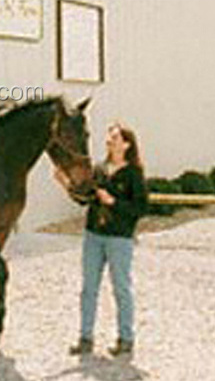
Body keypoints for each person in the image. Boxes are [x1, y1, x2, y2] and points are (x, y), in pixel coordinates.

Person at [55, 123, 148, 357]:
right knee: (88, 289)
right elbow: (84, 199)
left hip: (119, 239)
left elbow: (141, 208)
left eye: (115, 138)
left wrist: (113, 202)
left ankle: (126, 339)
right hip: (93, 236)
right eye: (109, 137)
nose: (109, 141)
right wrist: (65, 183)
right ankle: (85, 339)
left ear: (127, 144)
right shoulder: (98, 169)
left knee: (121, 289)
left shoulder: (134, 174)